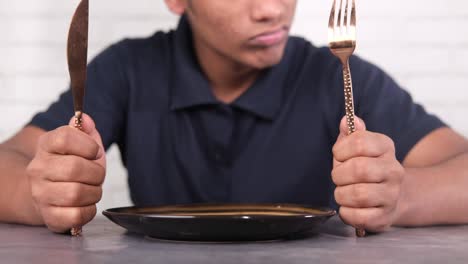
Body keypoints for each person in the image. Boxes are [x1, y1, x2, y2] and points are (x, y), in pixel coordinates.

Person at [1, 0, 467, 234]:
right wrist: (40, 190)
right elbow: (12, 162)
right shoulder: (129, 69)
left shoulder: (333, 74)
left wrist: (400, 197)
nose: (272, 10)